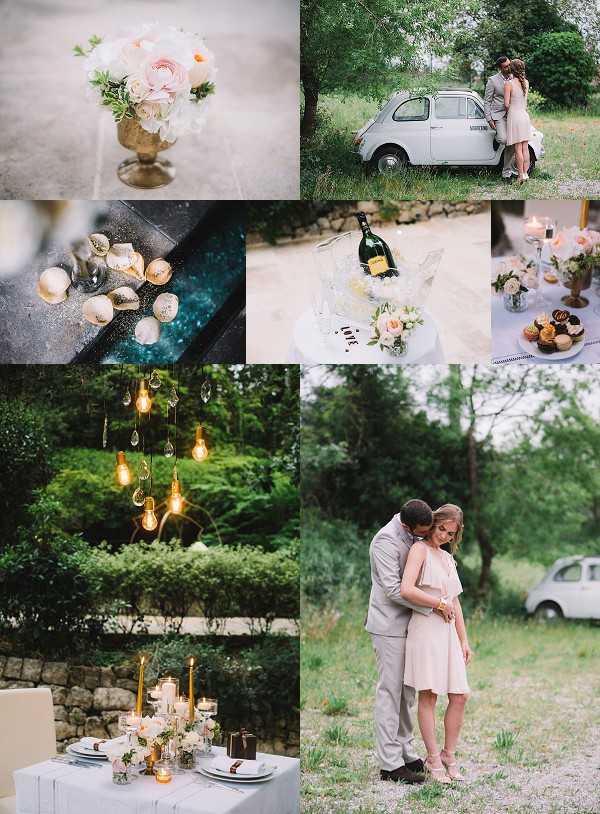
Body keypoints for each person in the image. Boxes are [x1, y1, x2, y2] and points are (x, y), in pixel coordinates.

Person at [365, 499, 454, 784]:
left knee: (407, 693)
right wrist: (435, 605)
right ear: (406, 526)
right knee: (390, 692)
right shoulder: (384, 541)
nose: (422, 538)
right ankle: (389, 764)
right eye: (419, 533)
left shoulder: (414, 529)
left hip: (411, 626)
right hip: (389, 626)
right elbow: (393, 589)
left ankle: (404, 750)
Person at [401, 504, 472, 783]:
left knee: (460, 695)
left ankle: (448, 753)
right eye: (441, 528)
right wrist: (437, 603)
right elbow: (407, 589)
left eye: (450, 533)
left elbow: (455, 601)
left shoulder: (447, 558)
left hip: (447, 633)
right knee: (429, 694)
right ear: (433, 523)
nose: (444, 535)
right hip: (426, 627)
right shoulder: (419, 550)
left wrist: (464, 639)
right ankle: (432, 758)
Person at [484, 56, 517, 182]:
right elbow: (487, 101)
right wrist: (489, 118)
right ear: (500, 68)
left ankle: (507, 173)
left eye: (509, 65)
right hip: (498, 114)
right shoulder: (492, 80)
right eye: (505, 67)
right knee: (503, 139)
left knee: (512, 143)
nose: (509, 68)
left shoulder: (514, 78)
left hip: (512, 114)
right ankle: (497, 137)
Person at [504, 59, 533, 184]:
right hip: (524, 116)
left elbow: (506, 104)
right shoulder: (525, 82)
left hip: (515, 117)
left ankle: (520, 176)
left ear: (512, 69)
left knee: (518, 149)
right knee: (525, 147)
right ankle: (525, 174)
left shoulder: (508, 84)